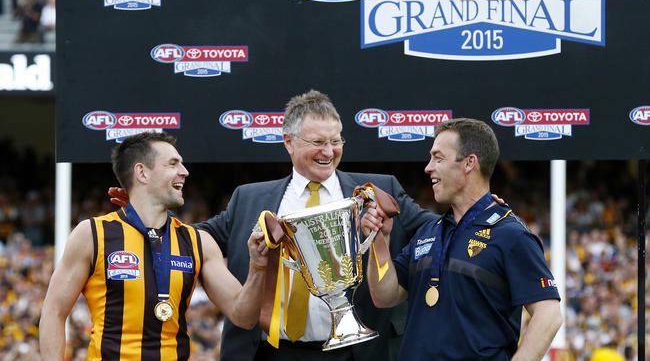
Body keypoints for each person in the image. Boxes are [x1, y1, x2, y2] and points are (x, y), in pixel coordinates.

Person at [111, 90, 436, 361]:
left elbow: (435, 229)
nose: (329, 152)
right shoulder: (248, 200)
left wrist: (477, 210)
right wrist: (145, 213)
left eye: (336, 141)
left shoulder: (378, 190)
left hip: (359, 351)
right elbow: (191, 240)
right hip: (266, 351)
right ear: (288, 142)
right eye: (317, 142)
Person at [40, 132, 268, 361]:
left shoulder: (198, 241)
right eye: (173, 163)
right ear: (142, 172)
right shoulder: (92, 234)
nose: (184, 171)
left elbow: (244, 317)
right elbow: (53, 312)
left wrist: (258, 267)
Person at [363, 118, 562, 360]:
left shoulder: (511, 234)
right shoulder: (429, 231)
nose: (428, 167)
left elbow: (549, 314)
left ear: (469, 163)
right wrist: (379, 241)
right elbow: (385, 295)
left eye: (438, 158)